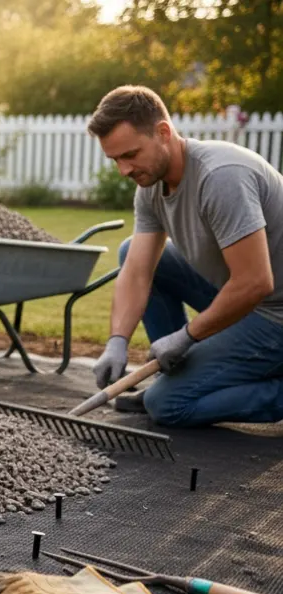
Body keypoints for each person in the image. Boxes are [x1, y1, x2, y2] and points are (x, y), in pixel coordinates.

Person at [86, 85, 283, 427]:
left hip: (275, 313)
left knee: (168, 405)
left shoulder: (221, 177)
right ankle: (179, 373)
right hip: (246, 297)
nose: (123, 169)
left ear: (163, 132)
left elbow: (256, 282)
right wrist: (116, 341)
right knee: (130, 249)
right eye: (115, 159)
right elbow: (137, 270)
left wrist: (187, 336)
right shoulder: (151, 189)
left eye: (130, 154)